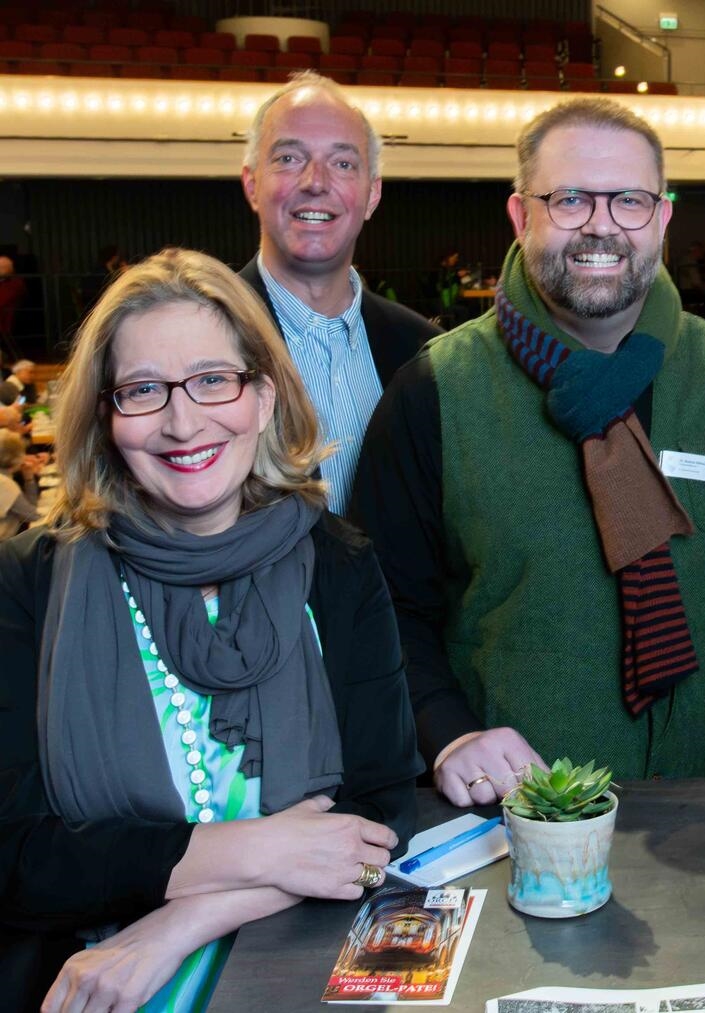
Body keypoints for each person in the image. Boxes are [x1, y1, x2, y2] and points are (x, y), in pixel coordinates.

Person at [0, 249, 421, 1010]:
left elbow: (382, 816)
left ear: (262, 396)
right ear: (105, 414)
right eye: (142, 390)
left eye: (211, 380)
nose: (183, 420)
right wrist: (253, 847)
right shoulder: (25, 582)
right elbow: (15, 857)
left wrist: (180, 922)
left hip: (308, 973)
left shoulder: (341, 565)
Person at [351, 98, 705, 805]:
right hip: (518, 814)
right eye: (569, 200)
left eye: (628, 201)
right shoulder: (433, 391)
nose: (600, 225)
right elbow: (379, 604)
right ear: (520, 214)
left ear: (662, 218)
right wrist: (448, 730)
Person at [239, 71, 439, 516]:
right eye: (289, 158)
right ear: (252, 185)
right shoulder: (205, 336)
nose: (316, 181)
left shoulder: (424, 352)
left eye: (343, 163)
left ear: (372, 195)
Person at [0, 430, 37, 538]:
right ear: (16, 458)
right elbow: (33, 515)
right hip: (5, 547)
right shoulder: (5, 485)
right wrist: (30, 481)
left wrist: (28, 478)